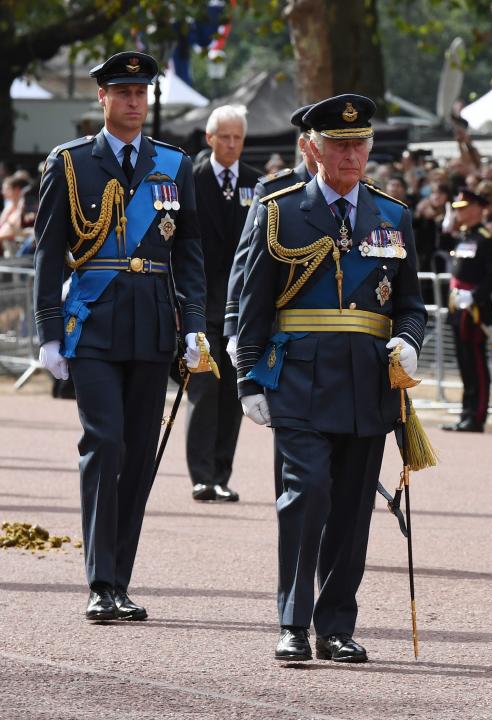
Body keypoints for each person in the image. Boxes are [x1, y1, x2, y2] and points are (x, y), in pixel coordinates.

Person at [235, 94, 426, 663]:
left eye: (360, 144)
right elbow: (253, 302)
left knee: (351, 507)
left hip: (368, 383)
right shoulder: (279, 211)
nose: (351, 155)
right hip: (299, 376)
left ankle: (337, 623)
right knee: (307, 494)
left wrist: (409, 340)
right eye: (339, 145)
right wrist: (248, 377)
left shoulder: (393, 215)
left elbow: (411, 303)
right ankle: (293, 621)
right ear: (312, 149)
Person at [32, 51, 206, 621]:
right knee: (104, 444)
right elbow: (48, 256)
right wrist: (48, 332)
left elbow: (189, 254)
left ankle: (120, 578)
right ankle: (100, 580)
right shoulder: (71, 162)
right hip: (95, 323)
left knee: (139, 456)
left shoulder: (175, 165)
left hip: (154, 325)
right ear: (102, 98)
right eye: (123, 92)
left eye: (141, 92)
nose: (134, 101)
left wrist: (195, 327)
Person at [224, 104, 318, 500]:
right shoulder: (273, 189)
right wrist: (235, 327)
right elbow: (245, 264)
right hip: (285, 333)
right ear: (306, 146)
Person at [186, 105, 260, 503]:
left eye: (238, 138)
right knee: (203, 392)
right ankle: (201, 475)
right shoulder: (192, 180)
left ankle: (221, 474)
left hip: (240, 309)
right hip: (200, 303)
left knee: (234, 395)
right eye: (225, 137)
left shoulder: (256, 183)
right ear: (210, 138)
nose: (232, 145)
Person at [441, 189, 492, 433]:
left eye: (464, 207)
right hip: (459, 307)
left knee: (476, 363)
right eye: (457, 209)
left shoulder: (484, 239)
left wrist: (474, 295)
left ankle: (476, 415)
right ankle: (466, 412)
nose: (460, 213)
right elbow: (445, 251)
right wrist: (445, 229)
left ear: (478, 208)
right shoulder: (463, 235)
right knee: (464, 362)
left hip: (476, 310)